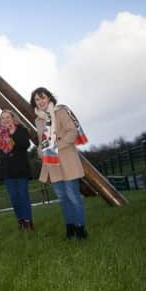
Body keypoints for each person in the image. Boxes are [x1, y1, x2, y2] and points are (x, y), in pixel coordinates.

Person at [31, 86, 89, 240]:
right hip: (52, 163)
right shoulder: (38, 120)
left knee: (73, 196)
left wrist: (56, 145)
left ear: (49, 97)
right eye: (37, 99)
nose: (40, 101)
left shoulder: (61, 111)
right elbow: (41, 141)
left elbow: (72, 132)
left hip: (67, 159)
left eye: (43, 97)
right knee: (62, 197)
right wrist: (39, 151)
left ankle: (81, 229)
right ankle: (70, 229)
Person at [0, 110, 35, 231]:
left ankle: (28, 222)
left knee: (23, 196)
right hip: (7, 171)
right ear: (0, 120)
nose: (5, 120)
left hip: (20, 169)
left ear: (13, 118)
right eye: (2, 118)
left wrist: (13, 132)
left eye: (7, 117)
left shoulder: (20, 129)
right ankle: (20, 221)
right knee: (14, 198)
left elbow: (25, 144)